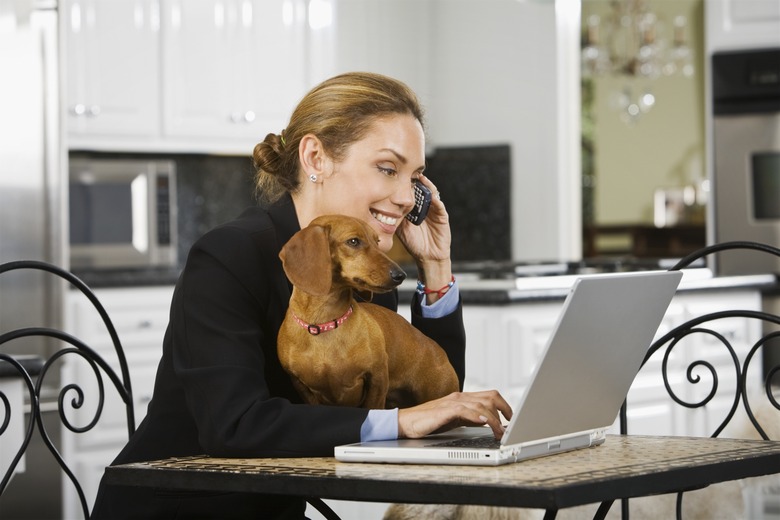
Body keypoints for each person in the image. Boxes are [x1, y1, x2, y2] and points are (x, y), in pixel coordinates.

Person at [91, 71, 512, 519]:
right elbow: (233, 424)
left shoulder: (363, 271)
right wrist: (399, 421)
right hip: (181, 510)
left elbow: (435, 397)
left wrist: (436, 265)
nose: (408, 198)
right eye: (388, 169)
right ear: (316, 158)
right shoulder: (228, 255)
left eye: (415, 178)